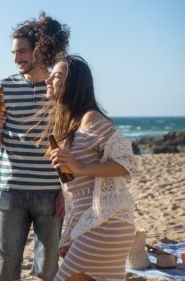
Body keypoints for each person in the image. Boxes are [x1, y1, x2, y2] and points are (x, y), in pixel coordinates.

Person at [0, 13, 70, 281]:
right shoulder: (5, 86)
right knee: (4, 268)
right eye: (13, 52)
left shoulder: (59, 88)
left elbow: (69, 141)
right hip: (11, 189)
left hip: (50, 191)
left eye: (22, 51)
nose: (16, 58)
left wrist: (65, 191)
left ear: (39, 50)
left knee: (47, 269)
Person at [42, 55, 137, 281]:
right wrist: (71, 231)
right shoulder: (72, 123)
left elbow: (127, 163)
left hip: (105, 225)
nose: (48, 80)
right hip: (94, 224)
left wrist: (80, 167)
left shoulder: (91, 119)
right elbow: (79, 188)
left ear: (73, 84)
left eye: (55, 76)